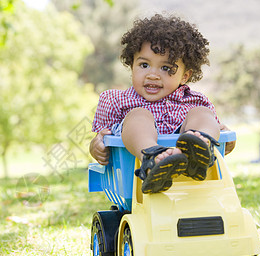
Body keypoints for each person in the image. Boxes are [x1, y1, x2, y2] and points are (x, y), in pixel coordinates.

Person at [90, 14, 234, 194]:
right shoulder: (116, 100)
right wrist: (96, 147)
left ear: (185, 76)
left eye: (166, 68)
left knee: (202, 113)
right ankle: (152, 159)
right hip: (135, 170)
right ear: (132, 64)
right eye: (144, 65)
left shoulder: (194, 100)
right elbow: (102, 138)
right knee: (139, 115)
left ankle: (199, 149)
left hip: (185, 150)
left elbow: (221, 131)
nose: (152, 75)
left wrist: (225, 137)